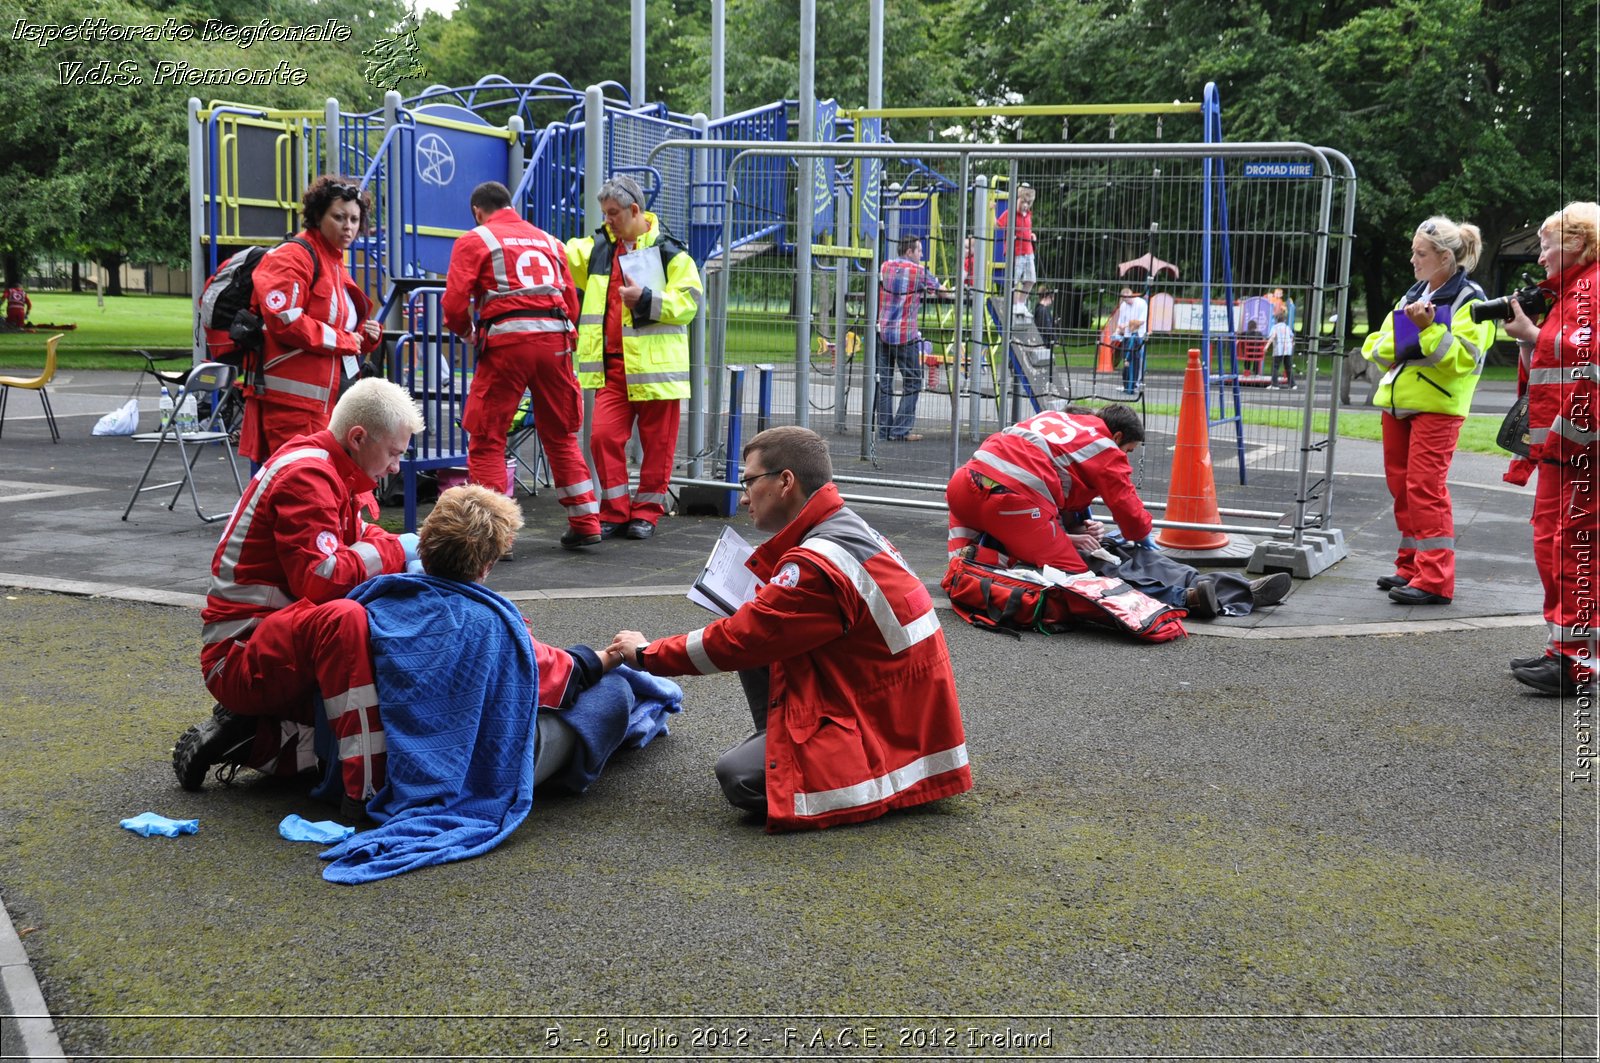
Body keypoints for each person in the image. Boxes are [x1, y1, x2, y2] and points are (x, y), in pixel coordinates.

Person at [606, 426, 971, 831]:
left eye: (748, 481)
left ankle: (858, 778)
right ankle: (787, 744)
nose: (743, 495)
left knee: (738, 776)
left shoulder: (815, 564)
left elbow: (739, 639)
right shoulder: (842, 525)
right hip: (899, 709)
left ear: (785, 482)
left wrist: (646, 654)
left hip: (888, 727)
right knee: (758, 638)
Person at [174, 481, 621, 803]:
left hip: (351, 744)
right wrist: (610, 656)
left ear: (422, 542)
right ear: (487, 563)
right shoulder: (492, 624)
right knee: (610, 697)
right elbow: (552, 675)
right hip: (426, 763)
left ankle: (260, 740)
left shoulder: (369, 601)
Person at [173, 378, 426, 790]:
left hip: (266, 642)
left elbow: (361, 536)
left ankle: (254, 739)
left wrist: (393, 548)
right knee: (345, 620)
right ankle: (362, 790)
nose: (397, 466)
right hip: (240, 653)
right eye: (394, 453)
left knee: (382, 720)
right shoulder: (308, 476)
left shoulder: (328, 469)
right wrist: (401, 552)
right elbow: (322, 579)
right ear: (358, 437)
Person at [442, 181, 601, 550]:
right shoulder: (550, 241)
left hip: (506, 345)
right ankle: (586, 521)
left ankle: (496, 535)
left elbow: (453, 304)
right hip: (555, 341)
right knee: (560, 434)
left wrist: (469, 334)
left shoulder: (476, 239)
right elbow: (570, 303)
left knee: (487, 438)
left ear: (478, 212)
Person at [1360, 215, 1494, 606]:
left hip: (1438, 407)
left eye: (1421, 254)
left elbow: (1461, 360)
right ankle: (1411, 565)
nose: (1413, 260)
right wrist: (1412, 340)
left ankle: (1434, 579)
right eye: (1414, 252)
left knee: (1424, 488)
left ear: (1445, 258)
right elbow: (1376, 346)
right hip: (1401, 404)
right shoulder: (1413, 293)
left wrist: (1425, 331)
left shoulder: (1472, 300)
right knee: (1402, 488)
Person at [565, 175, 702, 542]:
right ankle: (614, 511)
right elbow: (558, 253)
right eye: (605, 214)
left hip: (657, 372)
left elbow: (688, 302)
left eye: (613, 214)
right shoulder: (599, 248)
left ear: (635, 210)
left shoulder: (669, 249)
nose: (607, 220)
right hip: (614, 369)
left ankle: (646, 513)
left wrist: (645, 299)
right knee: (602, 438)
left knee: (658, 447)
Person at [1502, 201, 1600, 696]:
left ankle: (1576, 662)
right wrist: (1527, 339)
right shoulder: (1570, 292)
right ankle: (1561, 648)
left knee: (1575, 549)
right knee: (1552, 543)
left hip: (1584, 449)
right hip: (1565, 446)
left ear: (1579, 242)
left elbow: (1587, 361)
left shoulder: (1594, 289)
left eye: (1547, 245)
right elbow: (1553, 365)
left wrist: (1534, 336)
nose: (1540, 258)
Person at [240, 175, 384, 466]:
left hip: (322, 404)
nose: (348, 226)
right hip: (290, 407)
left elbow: (334, 323)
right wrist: (345, 340)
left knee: (311, 488)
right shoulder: (295, 255)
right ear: (318, 216)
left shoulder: (333, 260)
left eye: (355, 219)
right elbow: (285, 319)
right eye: (339, 217)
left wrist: (364, 335)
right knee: (294, 488)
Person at [946, 406, 1155, 577]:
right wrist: (1142, 535)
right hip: (1012, 501)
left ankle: (975, 556)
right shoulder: (1106, 447)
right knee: (1075, 573)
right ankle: (988, 559)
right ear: (1117, 437)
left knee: (958, 567)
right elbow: (1126, 504)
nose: (1126, 457)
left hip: (964, 485)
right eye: (1128, 450)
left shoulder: (1050, 416)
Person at [876, 235, 950, 443]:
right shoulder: (918, 272)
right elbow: (942, 292)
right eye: (919, 251)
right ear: (909, 252)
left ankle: (883, 431)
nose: (921, 255)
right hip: (904, 334)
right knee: (913, 382)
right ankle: (900, 430)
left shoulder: (885, 266)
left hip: (882, 332)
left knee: (884, 383)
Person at [996, 183, 1037, 296]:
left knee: (1031, 279)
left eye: (1028, 203)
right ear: (1017, 199)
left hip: (1028, 252)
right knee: (1014, 281)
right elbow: (997, 225)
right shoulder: (1010, 213)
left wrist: (1031, 235)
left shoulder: (1028, 214)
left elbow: (1026, 230)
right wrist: (991, 212)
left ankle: (1020, 304)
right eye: (1023, 201)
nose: (1025, 205)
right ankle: (1012, 305)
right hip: (1016, 253)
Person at [1112, 286, 1149, 394]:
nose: (1126, 302)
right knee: (1127, 361)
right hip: (1127, 337)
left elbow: (1141, 321)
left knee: (1139, 360)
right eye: (1124, 300)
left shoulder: (1141, 303)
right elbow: (1120, 323)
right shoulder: (1123, 305)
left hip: (1139, 335)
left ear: (1131, 294)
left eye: (1127, 299)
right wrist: (1116, 332)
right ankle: (1128, 384)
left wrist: (1126, 325)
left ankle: (1138, 384)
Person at [1267, 306, 1295, 389]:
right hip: (1288, 349)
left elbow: (1272, 337)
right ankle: (1292, 384)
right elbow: (1292, 337)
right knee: (1288, 367)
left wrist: (1267, 346)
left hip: (1279, 349)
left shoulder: (1275, 327)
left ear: (1276, 320)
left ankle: (1275, 384)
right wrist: (1292, 345)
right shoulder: (1287, 327)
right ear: (1285, 320)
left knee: (1275, 366)